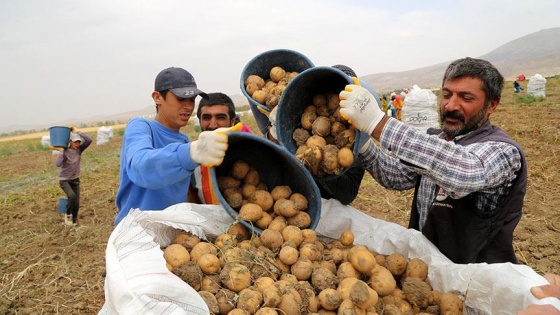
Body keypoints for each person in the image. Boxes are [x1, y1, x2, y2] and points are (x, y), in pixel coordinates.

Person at [339, 57, 527, 264]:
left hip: (476, 280)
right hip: (427, 270)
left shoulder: (504, 151)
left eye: (466, 98)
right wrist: (364, 146)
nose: (451, 105)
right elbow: (395, 176)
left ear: (491, 105)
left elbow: (464, 173)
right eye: (446, 95)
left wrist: (378, 123)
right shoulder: (435, 142)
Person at [114, 67, 240, 226]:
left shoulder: (183, 141)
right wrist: (191, 153)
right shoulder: (141, 127)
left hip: (173, 233)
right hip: (138, 230)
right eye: (181, 99)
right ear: (157, 97)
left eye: (192, 99)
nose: (188, 106)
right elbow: (141, 166)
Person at [258, 64, 369, 205]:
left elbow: (348, 195)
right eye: (333, 90)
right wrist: (274, 133)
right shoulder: (298, 123)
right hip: (294, 201)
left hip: (329, 209)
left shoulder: (358, 144)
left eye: (343, 92)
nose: (337, 98)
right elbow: (266, 161)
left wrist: (323, 169)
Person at [188, 92, 250, 204]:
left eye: (220, 117)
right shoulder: (192, 158)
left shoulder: (251, 149)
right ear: (200, 122)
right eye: (206, 117)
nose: (213, 125)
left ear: (232, 121)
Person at [55, 128, 92, 226]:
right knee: (71, 196)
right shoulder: (65, 152)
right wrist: (61, 151)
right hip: (64, 180)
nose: (78, 144)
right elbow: (58, 164)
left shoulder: (79, 150)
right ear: (70, 142)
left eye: (79, 142)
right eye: (76, 142)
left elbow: (89, 140)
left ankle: (74, 222)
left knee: (76, 203)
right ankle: (68, 216)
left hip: (75, 180)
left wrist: (77, 131)